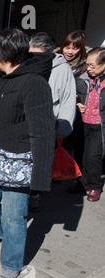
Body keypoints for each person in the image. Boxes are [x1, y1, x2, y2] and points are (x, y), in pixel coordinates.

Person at [0, 28, 56, 278]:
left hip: (20, 162)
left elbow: (43, 132)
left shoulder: (34, 83)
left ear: (4, 54)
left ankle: (11, 261)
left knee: (13, 215)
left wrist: (40, 178)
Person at [28, 32, 77, 211]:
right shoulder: (28, 63)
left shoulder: (62, 69)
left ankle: (35, 195)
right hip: (26, 123)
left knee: (40, 163)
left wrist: (61, 128)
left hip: (49, 124)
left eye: (36, 54)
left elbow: (68, 100)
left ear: (48, 53)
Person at [57, 31, 89, 193]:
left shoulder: (85, 67)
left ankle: (77, 179)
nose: (69, 51)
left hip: (75, 114)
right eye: (67, 47)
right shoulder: (54, 59)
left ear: (80, 50)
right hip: (56, 110)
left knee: (71, 146)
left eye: (74, 48)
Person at [75, 47, 105, 201]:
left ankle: (95, 185)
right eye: (88, 65)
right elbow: (76, 95)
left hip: (99, 125)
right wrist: (78, 103)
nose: (89, 68)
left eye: (93, 66)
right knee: (82, 154)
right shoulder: (84, 78)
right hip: (84, 122)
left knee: (93, 156)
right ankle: (82, 182)